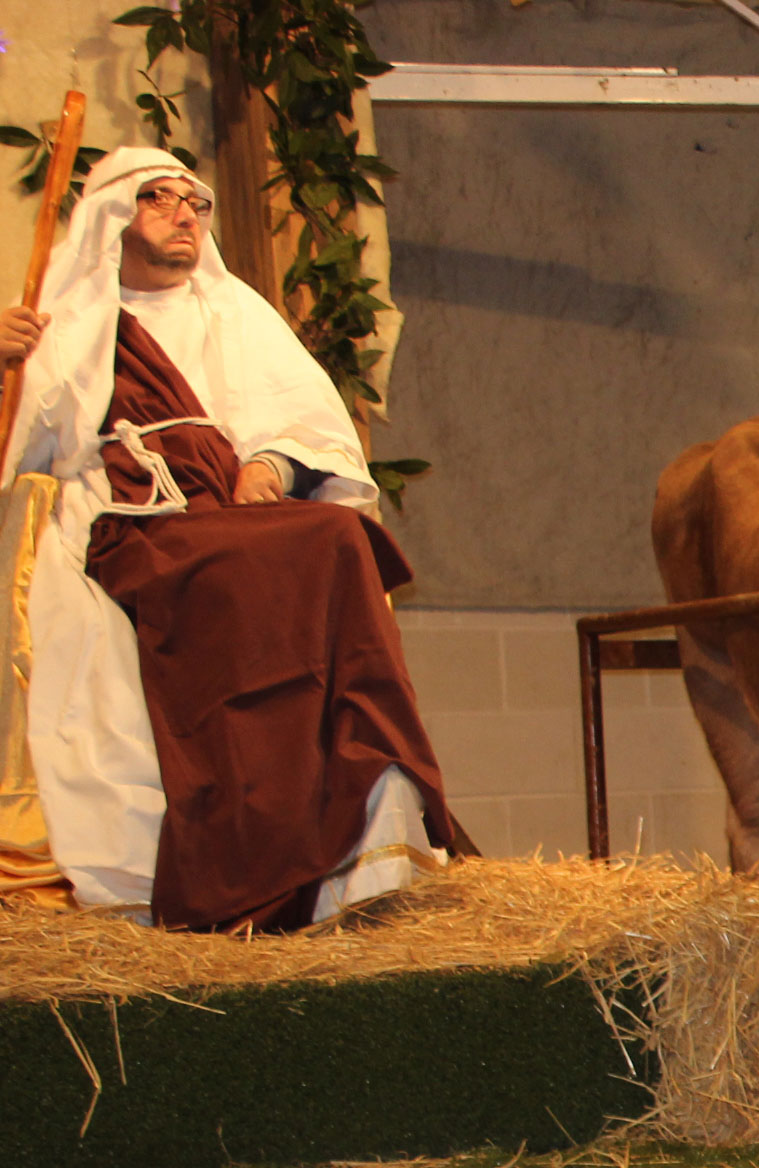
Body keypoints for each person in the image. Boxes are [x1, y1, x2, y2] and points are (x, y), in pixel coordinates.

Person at [0, 146, 460, 930]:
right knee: (315, 547)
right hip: (129, 518)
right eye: (161, 197)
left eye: (196, 202)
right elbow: (22, 450)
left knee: (339, 537)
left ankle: (366, 809)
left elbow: (304, 421)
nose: (185, 213)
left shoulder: (235, 312)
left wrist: (272, 467)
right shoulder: (62, 318)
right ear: (113, 214)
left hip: (227, 511)